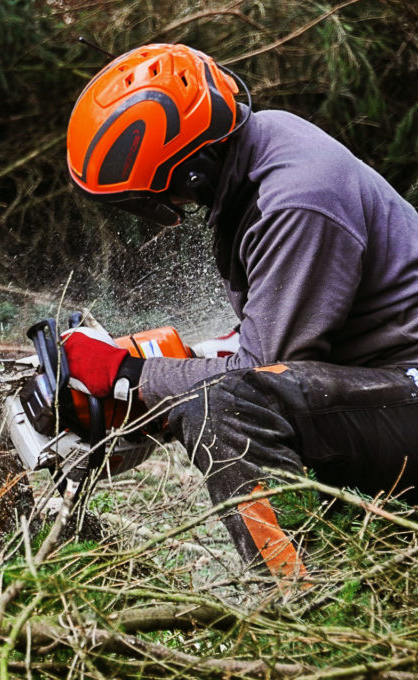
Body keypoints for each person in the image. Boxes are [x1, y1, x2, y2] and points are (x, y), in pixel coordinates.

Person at [60, 43, 418, 581]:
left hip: (406, 388)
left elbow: (262, 375)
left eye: (155, 195)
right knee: (217, 390)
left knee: (224, 408)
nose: (166, 208)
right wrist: (159, 363)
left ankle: (298, 604)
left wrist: (128, 377)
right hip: (385, 383)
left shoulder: (297, 199)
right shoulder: (261, 149)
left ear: (192, 172)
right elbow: (276, 334)